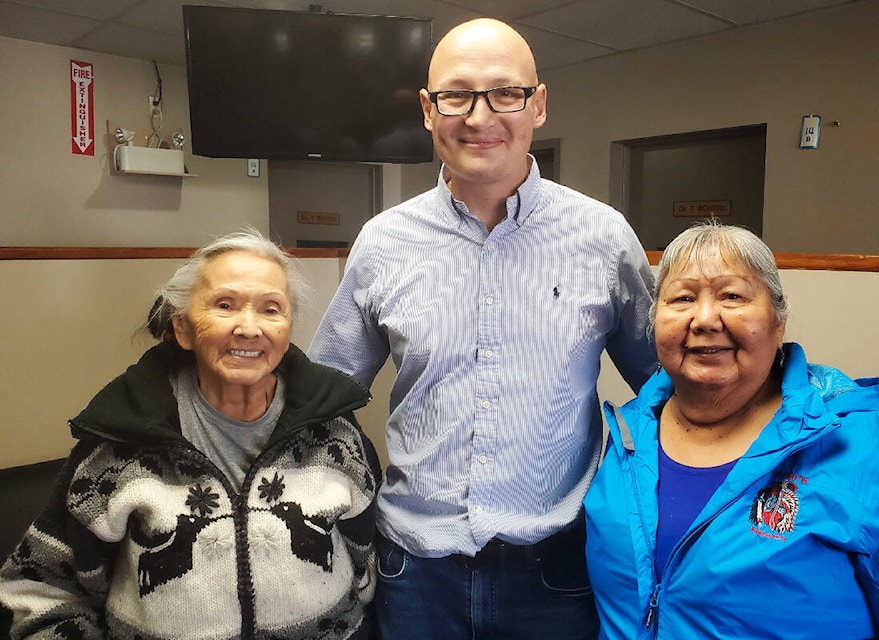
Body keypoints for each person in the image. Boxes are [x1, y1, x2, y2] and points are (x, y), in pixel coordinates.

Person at [308, 17, 657, 640]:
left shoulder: (604, 239)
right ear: (427, 109)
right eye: (456, 95)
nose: (479, 116)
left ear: (538, 104)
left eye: (505, 93)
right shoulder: (383, 244)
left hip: (559, 566)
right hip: (415, 570)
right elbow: (322, 394)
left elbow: (663, 384)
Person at [584, 221, 879, 639]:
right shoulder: (626, 439)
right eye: (683, 298)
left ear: (778, 322)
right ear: (655, 323)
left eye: (732, 296)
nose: (705, 318)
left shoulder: (870, 446)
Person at [0, 230, 381, 640]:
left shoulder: (332, 430)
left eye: (271, 310)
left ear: (287, 330)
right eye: (224, 305)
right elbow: (42, 588)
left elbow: (365, 561)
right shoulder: (122, 440)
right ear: (182, 329)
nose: (250, 328)